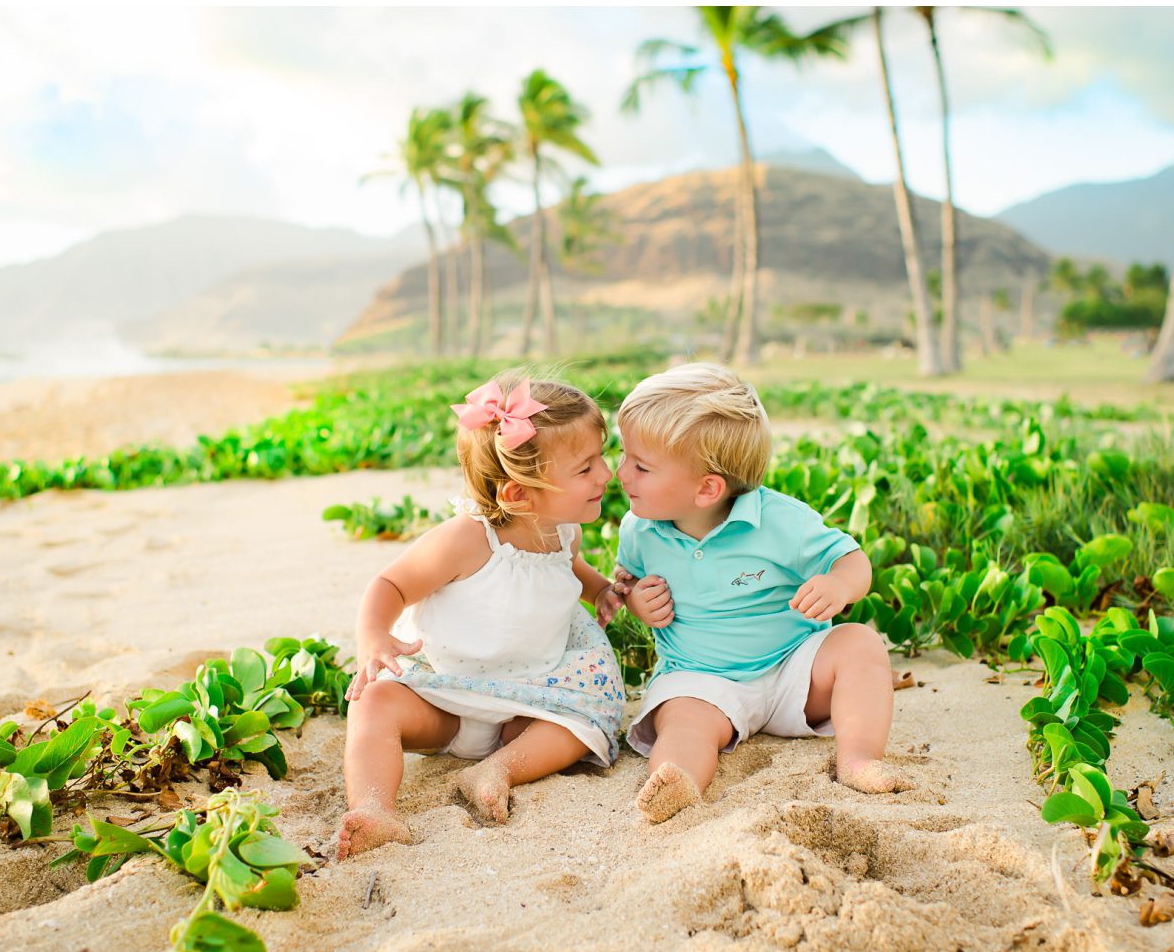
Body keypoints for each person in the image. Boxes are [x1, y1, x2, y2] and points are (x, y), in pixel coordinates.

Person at [336, 372, 628, 858]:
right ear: (518, 494)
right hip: (441, 699)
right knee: (372, 704)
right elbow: (390, 584)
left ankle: (499, 768)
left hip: (529, 701)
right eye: (585, 468)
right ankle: (373, 808)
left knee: (583, 726)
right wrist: (374, 637)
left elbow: (569, 567)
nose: (605, 474)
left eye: (601, 458)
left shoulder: (564, 530)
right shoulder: (467, 539)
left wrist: (597, 589)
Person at [614, 363, 912, 824]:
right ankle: (678, 781)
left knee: (860, 644)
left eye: (640, 466)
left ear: (707, 488)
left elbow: (854, 562)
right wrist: (635, 599)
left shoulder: (781, 521)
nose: (621, 474)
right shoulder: (640, 530)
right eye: (624, 457)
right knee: (682, 720)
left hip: (794, 669)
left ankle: (858, 758)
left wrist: (837, 583)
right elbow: (626, 578)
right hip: (701, 680)